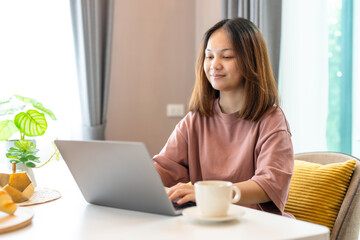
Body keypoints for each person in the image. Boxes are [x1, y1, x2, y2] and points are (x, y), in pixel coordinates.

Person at [153, 17, 294, 217]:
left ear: (251, 61)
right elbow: (164, 167)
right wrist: (134, 179)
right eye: (209, 57)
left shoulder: (271, 119)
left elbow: (269, 183)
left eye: (226, 57)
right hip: (210, 223)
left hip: (257, 226)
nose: (214, 65)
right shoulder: (196, 120)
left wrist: (206, 193)